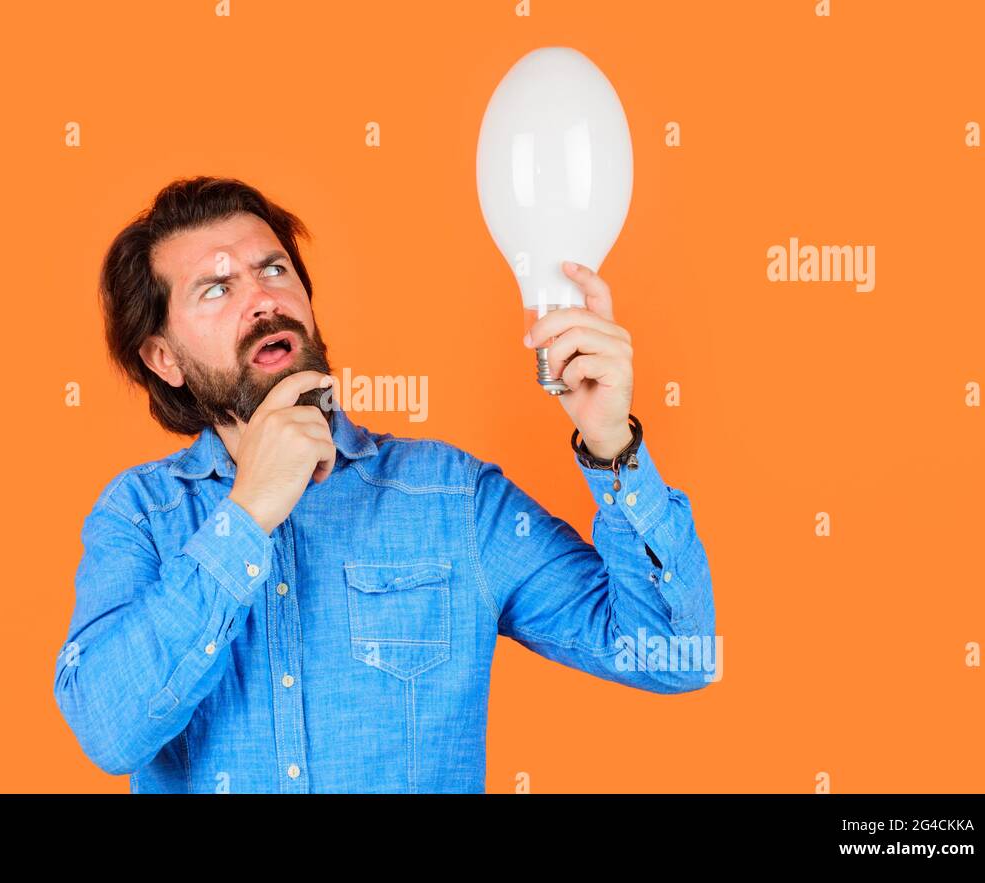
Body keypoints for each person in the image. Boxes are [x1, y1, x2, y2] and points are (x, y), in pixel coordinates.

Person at [52, 176, 717, 793]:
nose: (261, 299)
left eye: (274, 269)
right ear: (164, 357)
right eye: (216, 288)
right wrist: (247, 513)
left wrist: (612, 445)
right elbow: (110, 730)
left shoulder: (453, 499)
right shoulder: (139, 516)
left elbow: (673, 654)